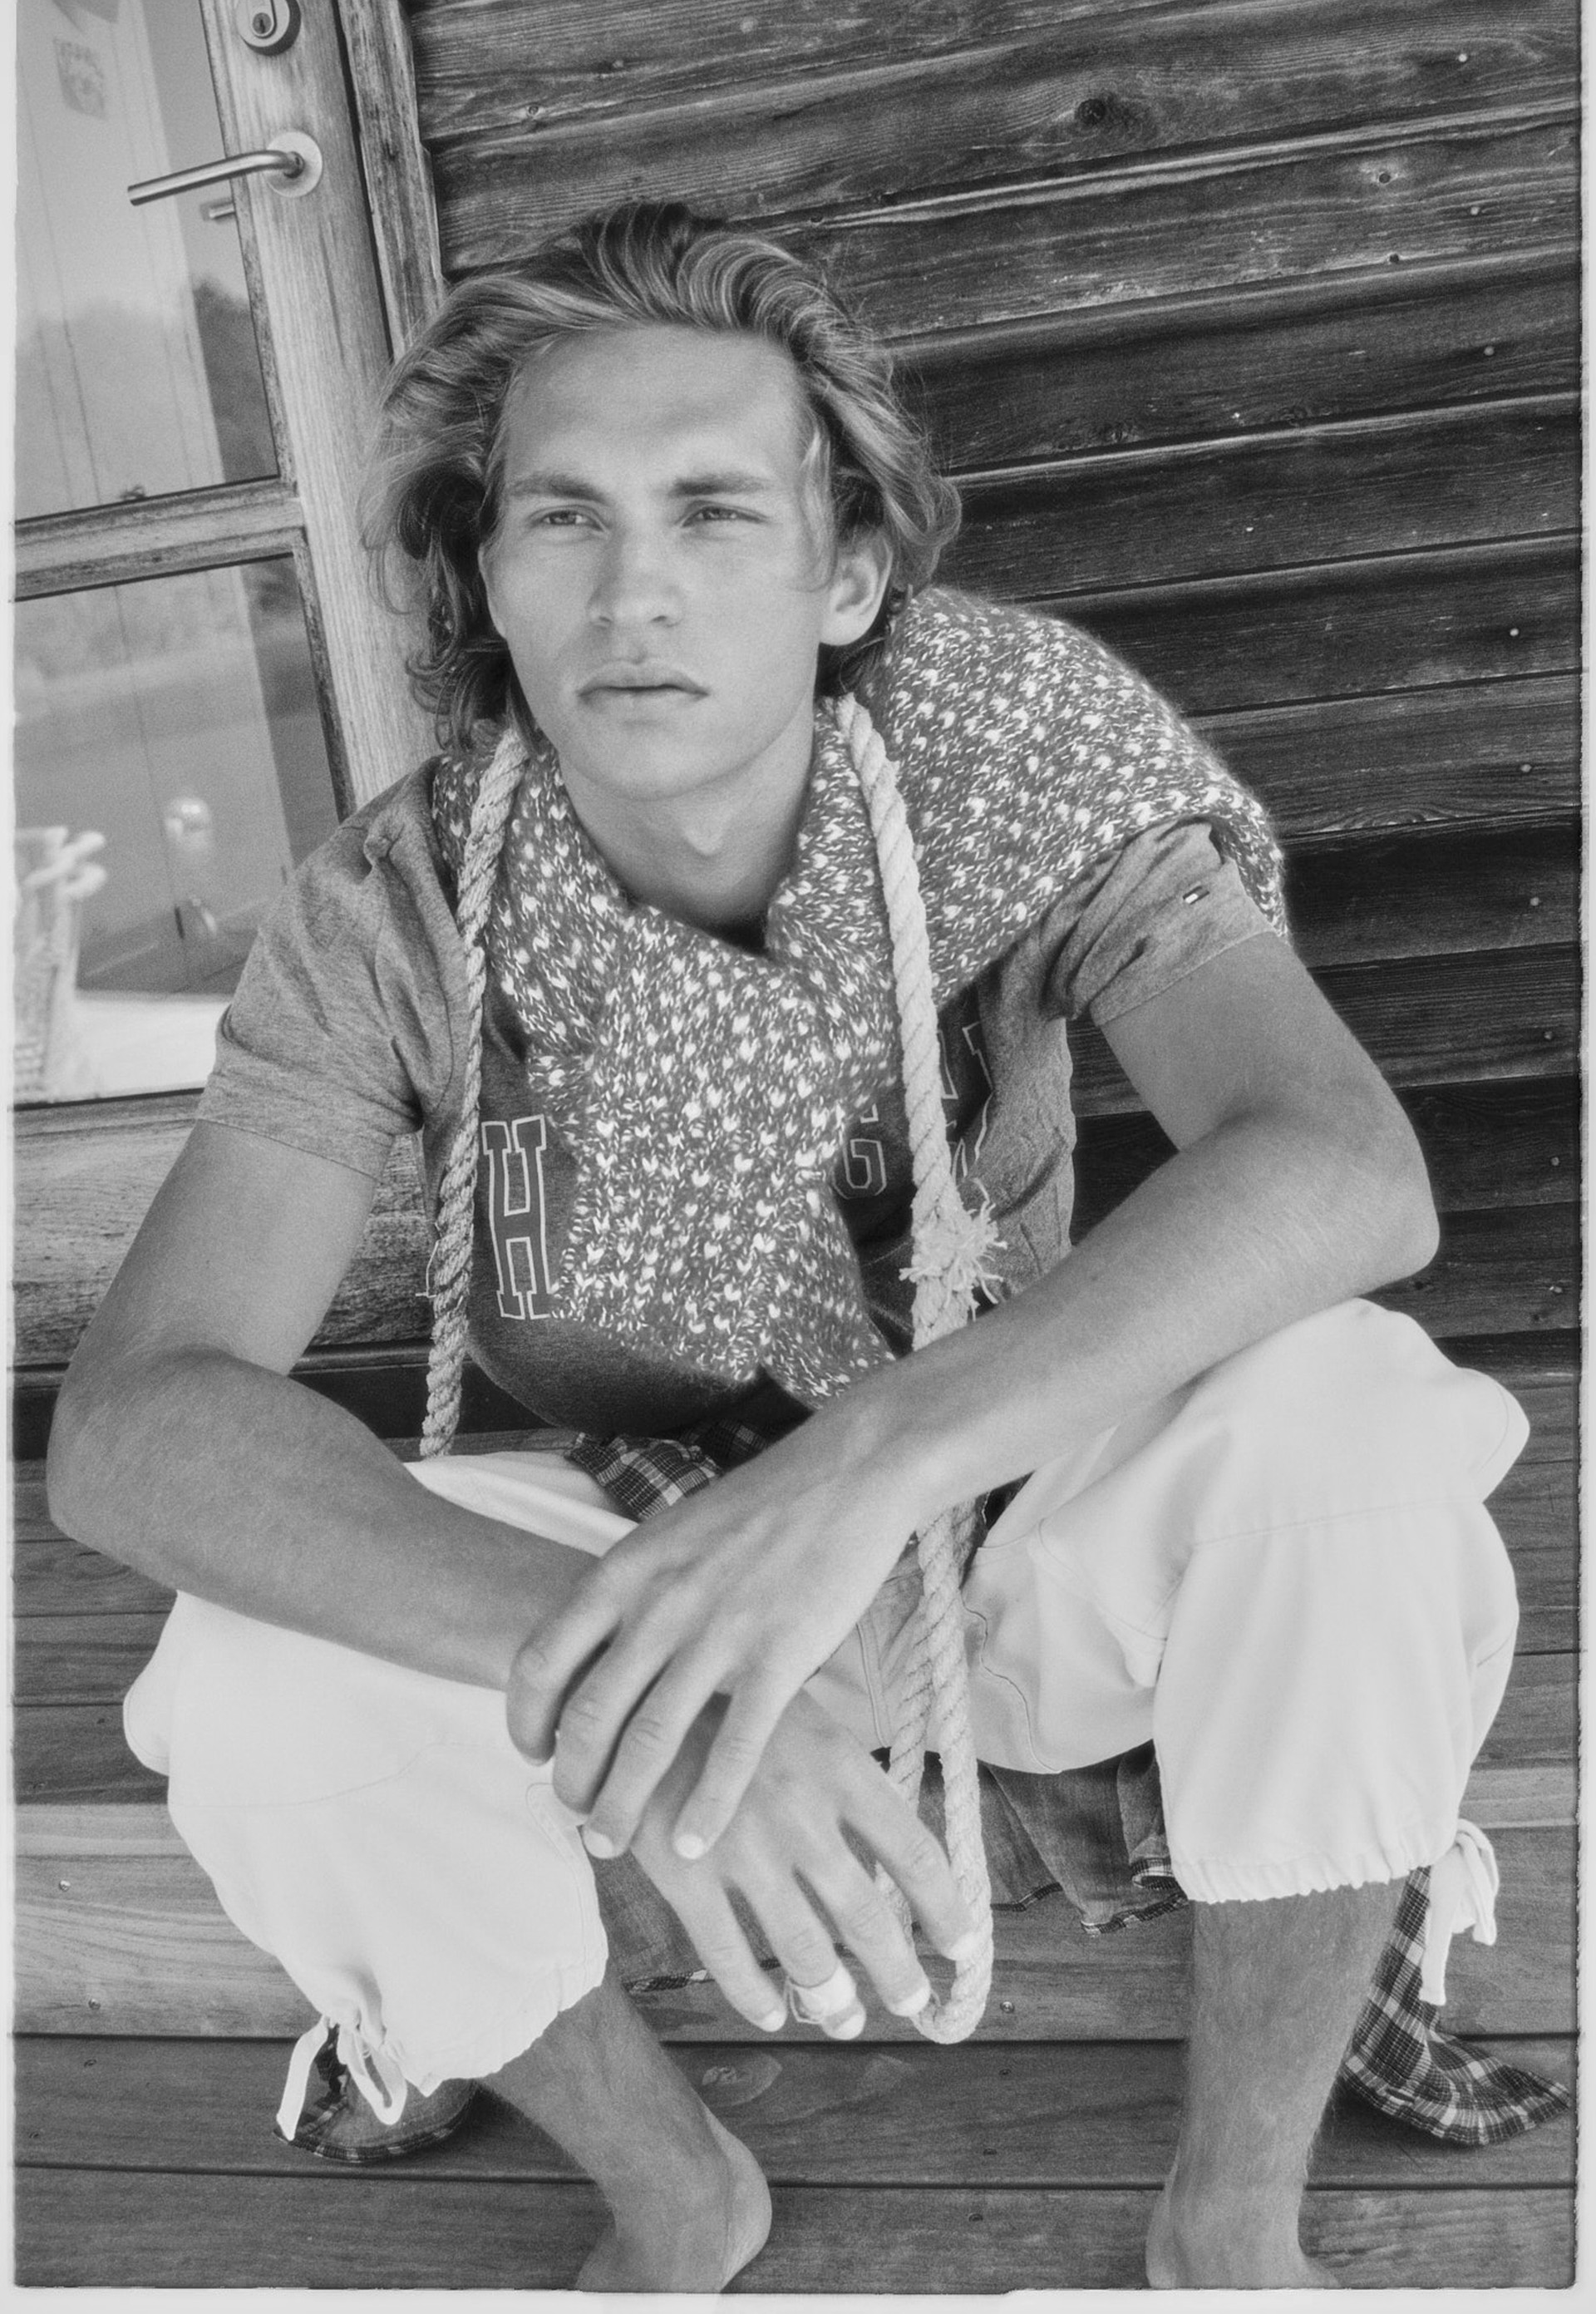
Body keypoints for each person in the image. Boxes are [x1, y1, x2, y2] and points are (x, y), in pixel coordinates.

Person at [48, 201, 1549, 2292]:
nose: (635, 588)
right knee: (244, 1687)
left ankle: (1233, 2225)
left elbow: (1340, 1165)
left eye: (714, 512)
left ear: (846, 571)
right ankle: (682, 2193)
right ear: (486, 574)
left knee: (1363, 1430)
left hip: (1003, 1497)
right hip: (625, 1532)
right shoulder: (391, 899)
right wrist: (631, 1685)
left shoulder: (1007, 734)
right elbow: (137, 1426)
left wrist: (861, 1480)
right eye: (561, 518)